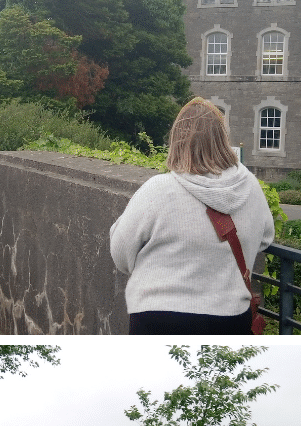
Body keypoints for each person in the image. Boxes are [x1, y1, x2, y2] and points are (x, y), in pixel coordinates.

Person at [109, 98, 275, 334]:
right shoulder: (251, 186)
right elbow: (266, 238)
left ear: (177, 141)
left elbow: (121, 255)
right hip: (230, 317)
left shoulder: (158, 189)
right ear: (222, 139)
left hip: (159, 316)